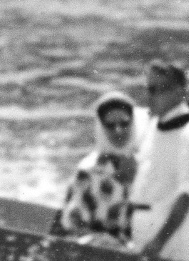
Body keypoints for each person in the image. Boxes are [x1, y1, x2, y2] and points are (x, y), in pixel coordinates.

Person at [128, 59, 189, 261]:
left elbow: (188, 195)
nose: (151, 96)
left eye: (158, 90)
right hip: (144, 227)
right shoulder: (153, 125)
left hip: (174, 236)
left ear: (179, 92)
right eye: (149, 89)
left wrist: (159, 242)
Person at [55, 90, 148, 246]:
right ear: (101, 127)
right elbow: (73, 223)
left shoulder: (147, 165)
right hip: (99, 248)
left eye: (124, 123)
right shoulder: (87, 170)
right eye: (110, 125)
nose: (118, 130)